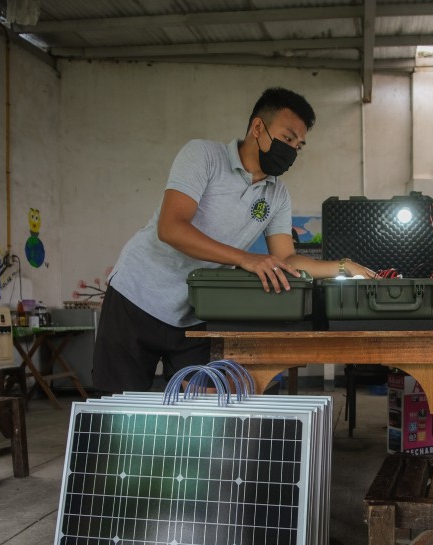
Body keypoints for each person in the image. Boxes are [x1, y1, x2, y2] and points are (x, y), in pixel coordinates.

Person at [93, 87, 374, 393]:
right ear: (257, 127)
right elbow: (171, 228)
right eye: (288, 138)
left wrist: (344, 267)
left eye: (299, 145)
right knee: (117, 410)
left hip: (195, 312)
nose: (292, 150)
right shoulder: (203, 156)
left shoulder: (277, 194)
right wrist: (245, 258)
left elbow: (287, 258)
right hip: (137, 296)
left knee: (205, 407)